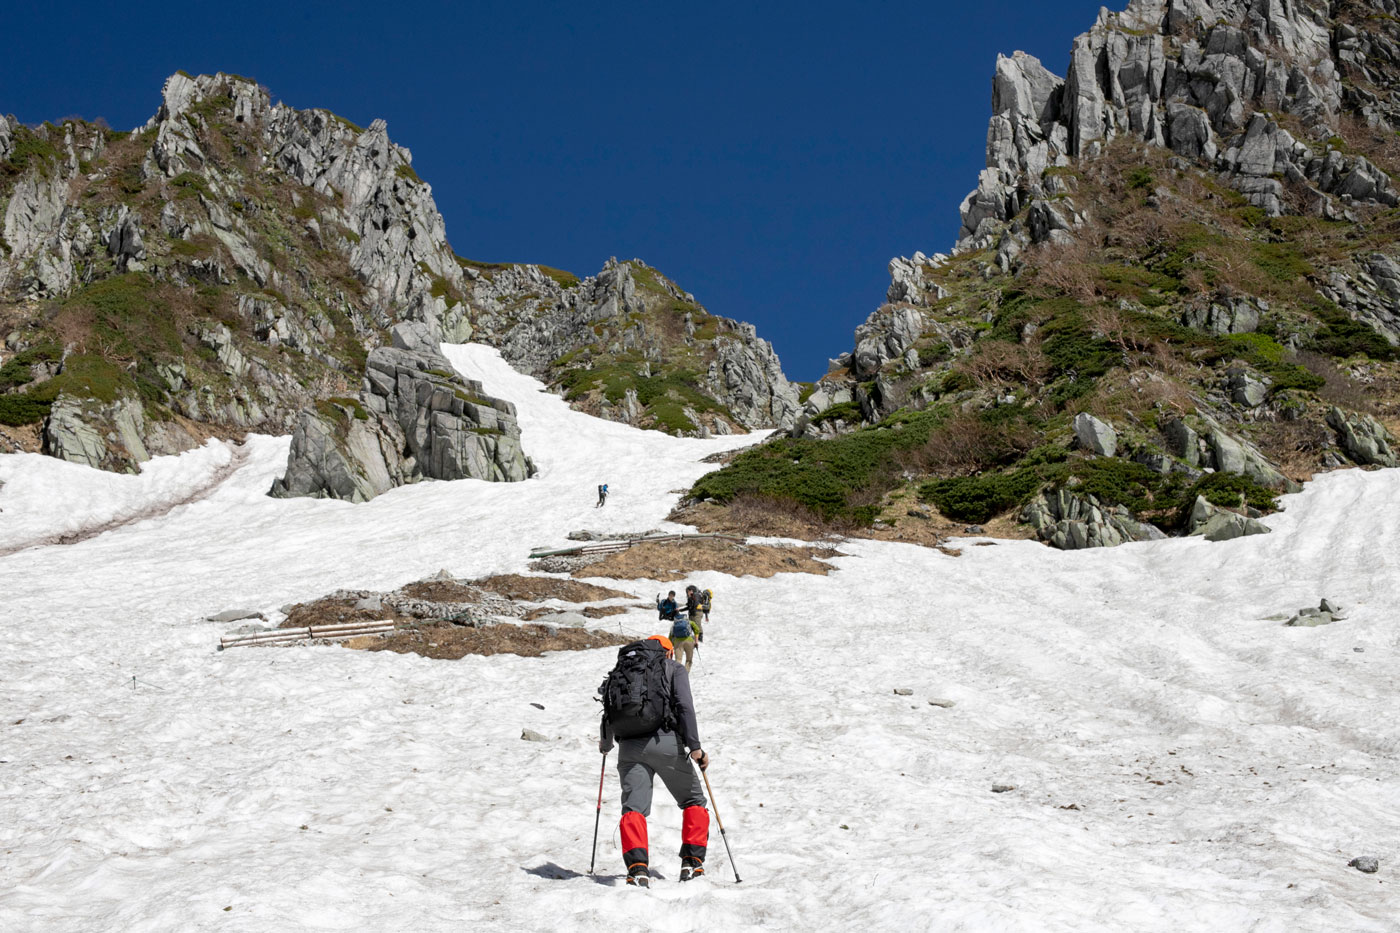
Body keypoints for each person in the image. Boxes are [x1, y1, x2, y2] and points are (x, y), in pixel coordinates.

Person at [599, 635, 710, 887]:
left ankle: (637, 869)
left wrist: (606, 745)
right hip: (666, 743)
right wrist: (695, 747)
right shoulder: (674, 669)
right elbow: (684, 706)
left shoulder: (623, 671)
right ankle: (692, 864)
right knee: (693, 800)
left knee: (633, 808)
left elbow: (609, 710)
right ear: (669, 653)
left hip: (628, 747)